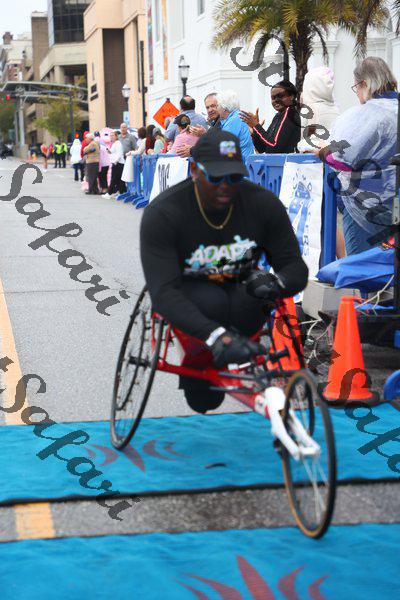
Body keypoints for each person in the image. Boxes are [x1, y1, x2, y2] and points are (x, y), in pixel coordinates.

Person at [140, 130, 308, 413]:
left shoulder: (263, 204)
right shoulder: (164, 212)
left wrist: (278, 283)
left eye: (234, 177)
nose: (226, 187)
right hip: (193, 300)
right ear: (195, 171)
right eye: (216, 178)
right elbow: (163, 292)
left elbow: (294, 266)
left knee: (254, 291)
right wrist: (216, 336)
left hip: (243, 295)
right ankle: (204, 360)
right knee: (203, 397)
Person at [315, 56, 398, 255]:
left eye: (356, 87)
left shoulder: (369, 114)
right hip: (395, 201)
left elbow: (342, 158)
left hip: (365, 204)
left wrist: (322, 151)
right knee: (390, 262)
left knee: (362, 265)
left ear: (364, 84)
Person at [240, 81, 301, 154]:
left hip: (286, 161)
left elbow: (274, 147)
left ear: (291, 96)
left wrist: (256, 126)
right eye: (273, 98)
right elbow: (262, 148)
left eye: (280, 96)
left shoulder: (290, 114)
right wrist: (254, 131)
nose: (276, 100)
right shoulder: (278, 116)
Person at [216, 90, 255, 161]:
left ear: (224, 108)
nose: (217, 108)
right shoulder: (237, 116)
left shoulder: (232, 122)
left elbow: (226, 152)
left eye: (218, 105)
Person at [102, 130, 126, 198]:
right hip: (117, 163)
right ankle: (122, 192)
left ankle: (109, 193)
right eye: (110, 135)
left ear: (116, 136)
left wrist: (115, 162)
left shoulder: (118, 144)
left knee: (114, 179)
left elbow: (119, 154)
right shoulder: (115, 143)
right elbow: (111, 152)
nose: (111, 137)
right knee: (119, 180)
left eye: (112, 135)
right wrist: (108, 150)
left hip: (118, 163)